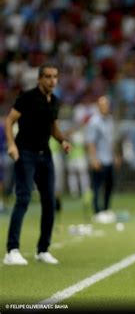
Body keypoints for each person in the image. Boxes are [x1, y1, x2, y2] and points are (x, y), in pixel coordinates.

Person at [3, 63, 72, 265]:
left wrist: (63, 141)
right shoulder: (27, 97)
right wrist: (11, 145)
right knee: (23, 199)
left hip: (45, 154)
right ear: (39, 79)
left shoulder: (54, 101)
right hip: (25, 153)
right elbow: (9, 121)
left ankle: (43, 249)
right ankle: (12, 250)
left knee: (49, 202)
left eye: (55, 77)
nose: (52, 80)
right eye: (48, 76)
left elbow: (54, 128)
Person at [85, 95, 120, 224]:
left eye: (106, 105)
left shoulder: (109, 120)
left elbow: (111, 141)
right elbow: (90, 143)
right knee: (96, 186)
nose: (105, 107)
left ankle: (106, 209)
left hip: (109, 159)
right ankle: (97, 212)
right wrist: (93, 159)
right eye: (102, 105)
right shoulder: (94, 122)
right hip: (99, 159)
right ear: (98, 106)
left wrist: (115, 156)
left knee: (109, 186)